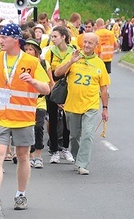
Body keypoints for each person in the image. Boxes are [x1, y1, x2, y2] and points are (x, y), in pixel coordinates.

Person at [0, 23, 50, 215]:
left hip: (23, 119)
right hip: (0, 118)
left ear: (15, 40)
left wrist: (33, 81)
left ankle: (21, 194)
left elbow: (47, 89)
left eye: (4, 38)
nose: (0, 41)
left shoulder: (32, 62)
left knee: (23, 157)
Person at [54, 33, 110, 175]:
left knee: (87, 134)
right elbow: (57, 73)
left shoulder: (99, 64)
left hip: (90, 105)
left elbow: (104, 89)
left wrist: (104, 108)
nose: (86, 45)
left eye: (90, 43)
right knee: (74, 135)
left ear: (96, 46)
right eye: (85, 42)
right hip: (72, 105)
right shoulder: (74, 56)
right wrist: (70, 62)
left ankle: (82, 163)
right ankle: (78, 157)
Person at [44, 25, 75, 164]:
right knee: (53, 118)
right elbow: (48, 70)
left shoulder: (73, 51)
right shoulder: (49, 52)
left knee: (67, 118)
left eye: (55, 36)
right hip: (54, 86)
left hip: (68, 86)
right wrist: (52, 87)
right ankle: (54, 149)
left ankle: (65, 148)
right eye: (51, 36)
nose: (53, 39)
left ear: (63, 37)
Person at [24, 39, 54, 168]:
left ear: (36, 51)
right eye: (26, 49)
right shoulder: (21, 63)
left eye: (31, 49)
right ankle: (29, 155)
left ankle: (38, 155)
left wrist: (48, 92)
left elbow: (51, 83)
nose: (28, 52)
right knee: (27, 128)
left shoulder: (43, 63)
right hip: (25, 101)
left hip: (40, 101)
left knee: (38, 127)